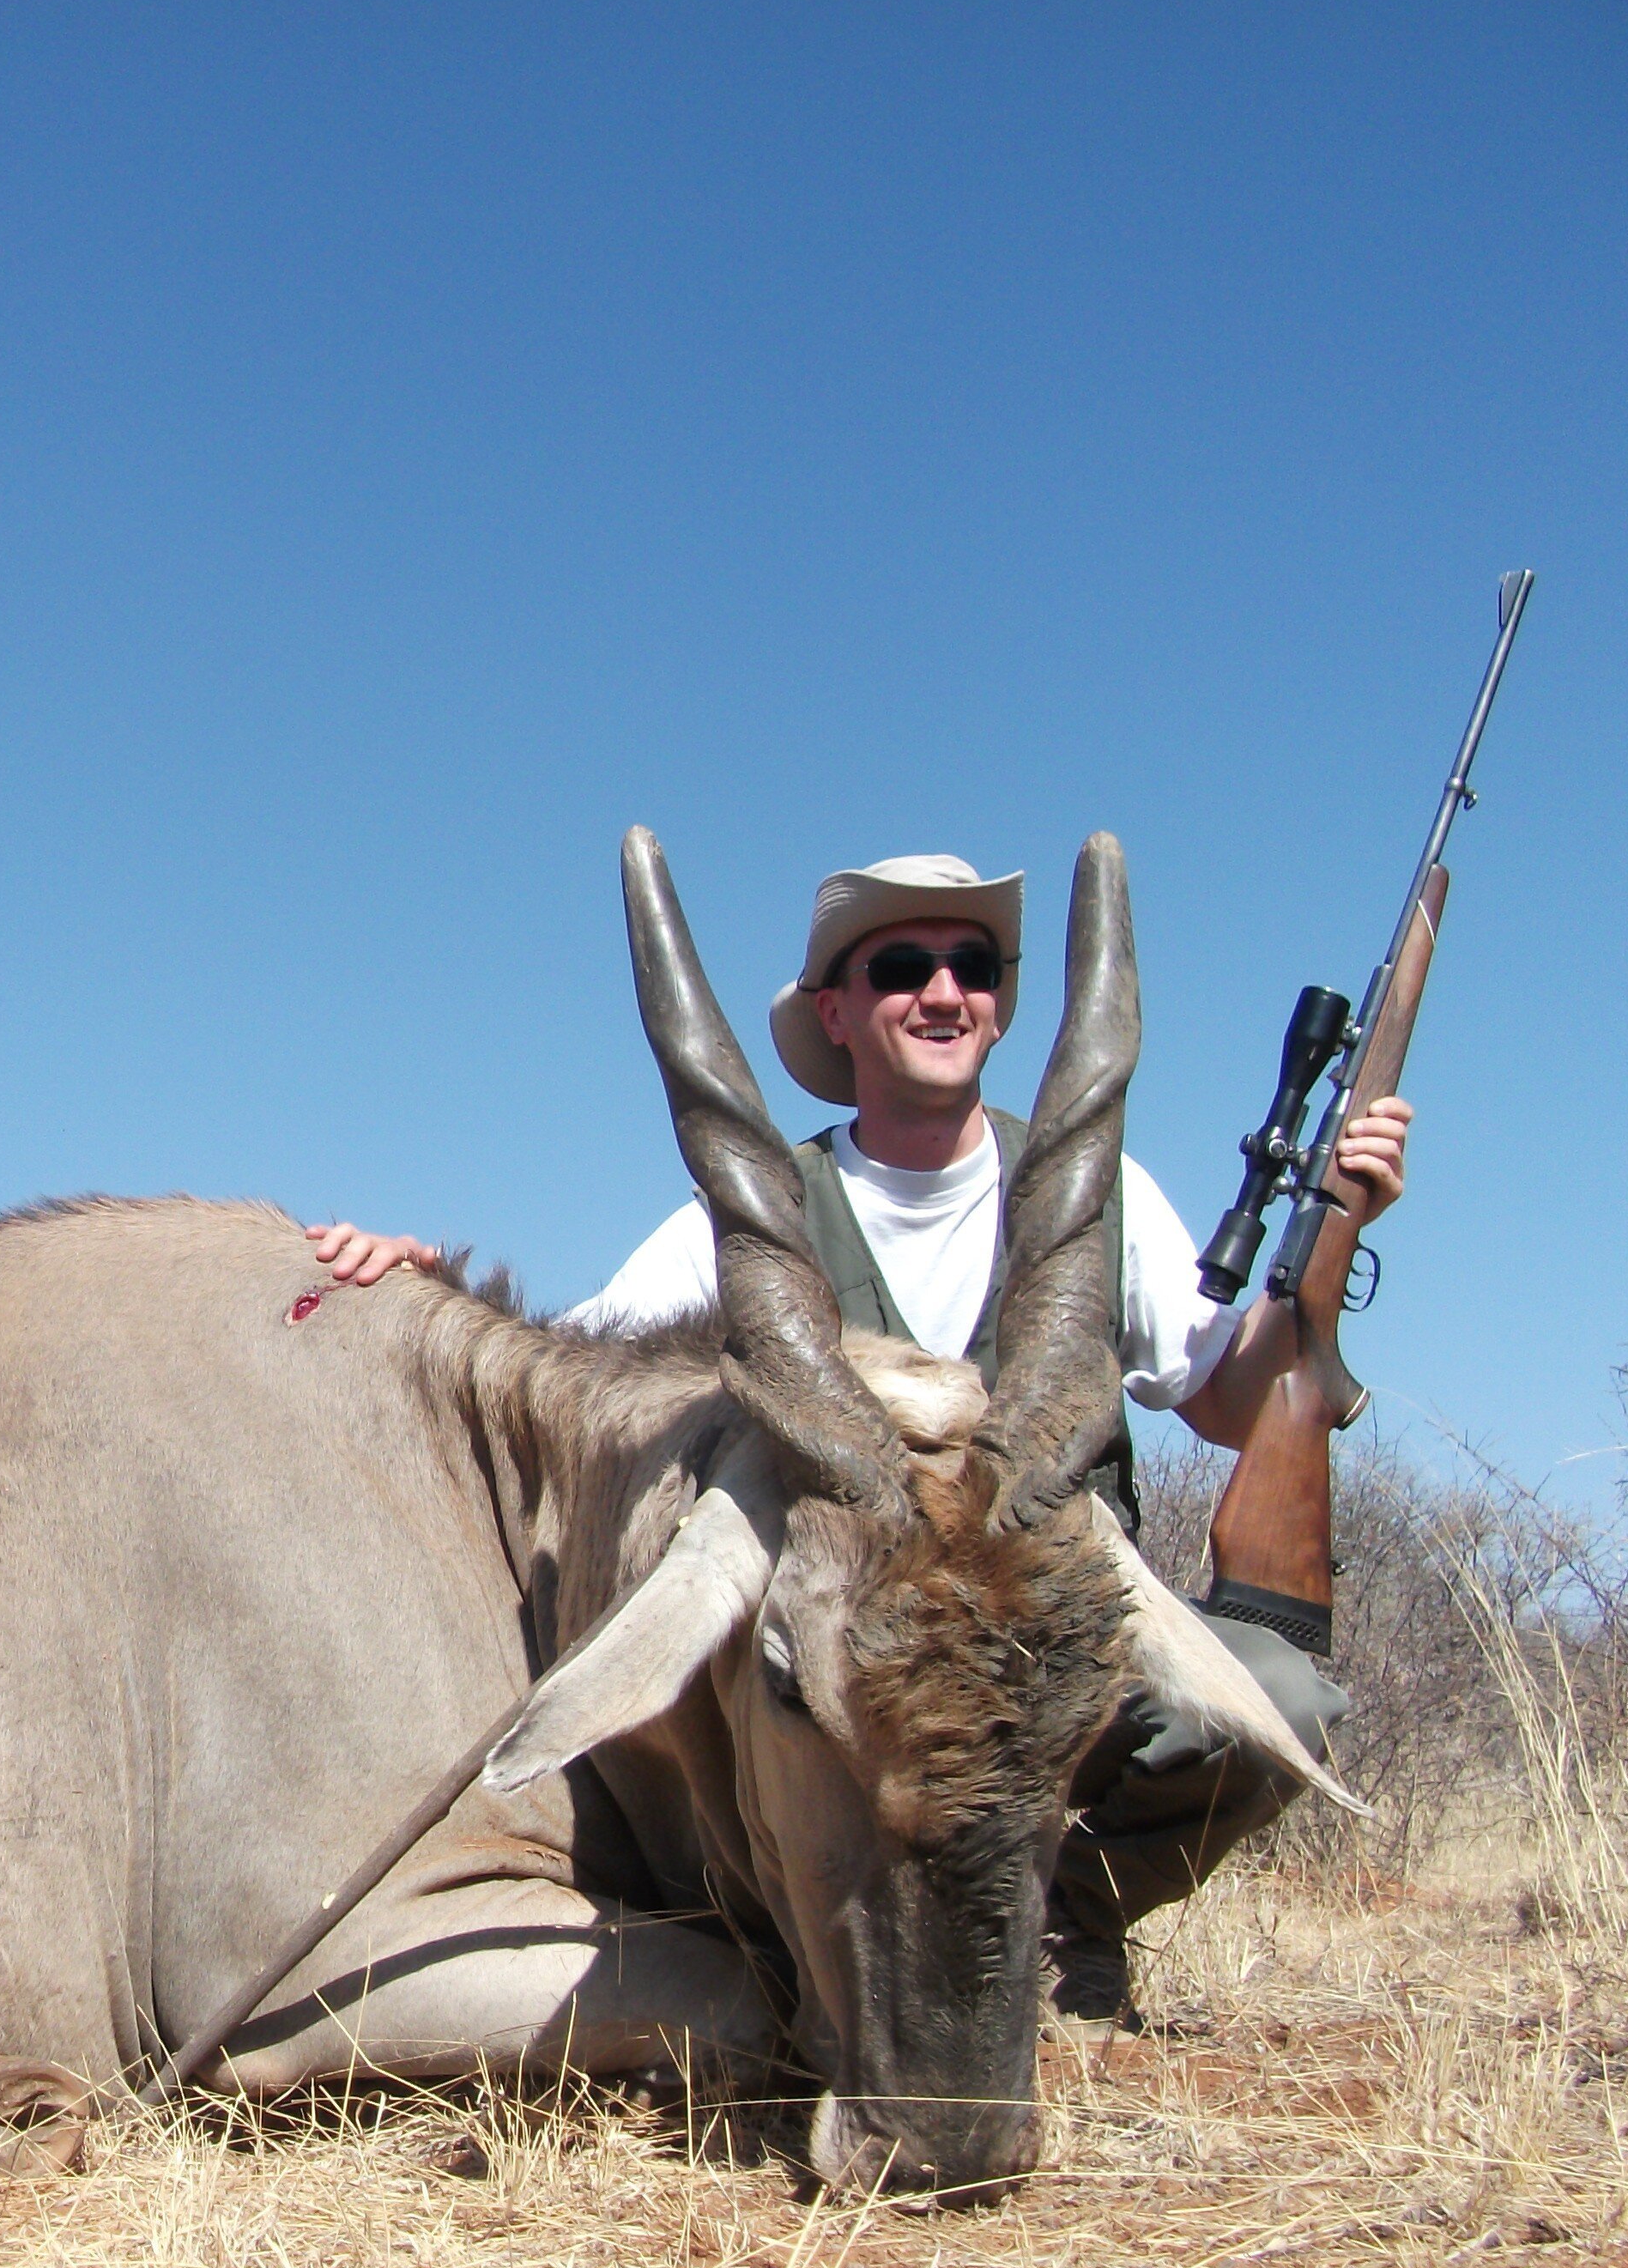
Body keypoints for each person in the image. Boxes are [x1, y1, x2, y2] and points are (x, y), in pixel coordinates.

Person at [302, 852, 1414, 2034]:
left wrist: (1327, 1260)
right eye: (903, 967)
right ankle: (828, 1939)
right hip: (857, 1719)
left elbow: (1234, 1405)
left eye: (974, 966)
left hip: (1038, 1684)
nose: (944, 992)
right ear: (837, 1009)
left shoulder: (1092, 1194)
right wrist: (430, 1292)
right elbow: (567, 1385)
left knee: (1277, 1703)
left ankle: (1047, 1929)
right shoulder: (755, 1213)